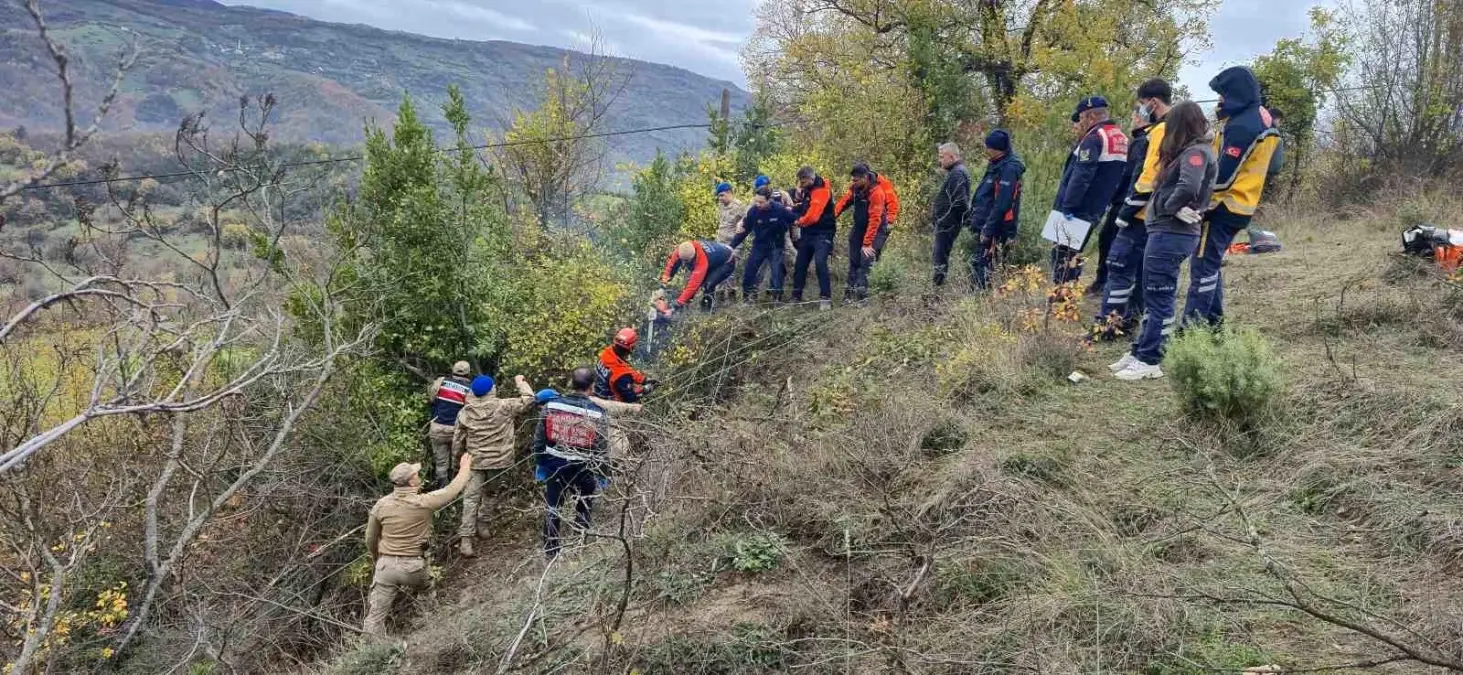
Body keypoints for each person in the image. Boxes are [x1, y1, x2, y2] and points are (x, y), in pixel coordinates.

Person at [1111, 101, 1217, 381]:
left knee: (1160, 296)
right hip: (1166, 231)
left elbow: (1189, 186)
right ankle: (1140, 350)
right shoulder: (1188, 151)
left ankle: (1150, 359)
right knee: (1153, 295)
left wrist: (1170, 207)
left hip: (1172, 232)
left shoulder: (1196, 153)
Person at [1183, 67, 1280, 328]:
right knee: (1210, 265)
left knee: (1203, 267)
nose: (1219, 101)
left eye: (1222, 95)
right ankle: (1214, 324)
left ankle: (1192, 328)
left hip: (1222, 207)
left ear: (1235, 94)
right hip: (1241, 206)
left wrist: (1195, 205)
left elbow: (1223, 177)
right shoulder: (1259, 117)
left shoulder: (1241, 126)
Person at [363, 452, 473, 636]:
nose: (419, 476)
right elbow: (453, 489)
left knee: (375, 617)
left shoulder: (381, 505)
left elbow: (370, 539)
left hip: (385, 568)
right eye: (416, 475)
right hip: (414, 566)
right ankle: (433, 629)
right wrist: (465, 468)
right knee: (426, 591)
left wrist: (377, 558)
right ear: (411, 482)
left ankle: (372, 651)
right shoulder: (425, 502)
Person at [1095, 78, 1172, 339]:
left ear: (1152, 102)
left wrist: (1126, 212)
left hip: (1140, 213)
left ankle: (1108, 327)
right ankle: (1129, 320)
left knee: (1118, 268)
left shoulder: (1159, 132)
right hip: (1158, 215)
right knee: (1140, 271)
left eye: (1140, 105)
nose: (1138, 111)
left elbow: (1146, 177)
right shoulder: (1177, 129)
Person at [450, 373, 537, 557]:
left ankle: (466, 539)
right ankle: (484, 525)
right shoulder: (504, 406)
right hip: (500, 461)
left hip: (475, 462)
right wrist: (520, 382)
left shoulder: (465, 412)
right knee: (491, 493)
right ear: (491, 390)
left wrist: (457, 461)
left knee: (470, 499)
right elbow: (530, 400)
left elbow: (457, 441)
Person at [533, 368, 612, 560]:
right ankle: (579, 544)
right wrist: (603, 474)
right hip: (584, 468)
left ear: (572, 383)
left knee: (553, 507)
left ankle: (551, 551)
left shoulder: (550, 406)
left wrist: (541, 462)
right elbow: (601, 449)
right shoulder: (598, 413)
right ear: (592, 386)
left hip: (554, 465)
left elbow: (538, 440)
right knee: (584, 506)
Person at [1050, 96, 1129, 286]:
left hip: (1077, 208)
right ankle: (1068, 292)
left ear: (1091, 116)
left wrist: (1068, 205)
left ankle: (1062, 298)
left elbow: (1082, 175)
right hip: (1097, 206)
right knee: (1074, 251)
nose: (1079, 122)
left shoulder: (1094, 138)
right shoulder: (1120, 137)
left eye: (1081, 118)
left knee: (1063, 253)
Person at [968, 129, 1026, 290]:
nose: (985, 150)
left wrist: (988, 229)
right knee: (979, 263)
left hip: (995, 227)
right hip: (984, 222)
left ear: (995, 148)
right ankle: (980, 296)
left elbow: (1002, 203)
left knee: (984, 264)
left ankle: (981, 299)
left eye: (987, 147)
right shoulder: (996, 163)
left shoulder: (1009, 169)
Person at [834, 162, 900, 302]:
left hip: (876, 228)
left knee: (866, 259)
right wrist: (830, 217)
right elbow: (843, 202)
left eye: (856, 180)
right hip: (859, 227)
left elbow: (875, 219)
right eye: (853, 180)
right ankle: (849, 295)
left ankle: (862, 297)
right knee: (854, 261)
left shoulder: (877, 192)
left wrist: (867, 243)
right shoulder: (855, 188)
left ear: (865, 177)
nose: (853, 182)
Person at [732, 186, 798, 301]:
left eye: (761, 202)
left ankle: (776, 297)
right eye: (756, 201)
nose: (758, 204)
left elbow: (795, 220)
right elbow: (744, 230)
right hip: (759, 246)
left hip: (775, 246)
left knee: (777, 272)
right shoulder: (753, 211)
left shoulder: (779, 209)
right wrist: (731, 246)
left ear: (769, 200)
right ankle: (747, 297)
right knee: (750, 270)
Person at [788, 165, 838, 310]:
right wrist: (793, 209)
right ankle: (796, 296)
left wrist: (799, 222)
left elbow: (813, 215)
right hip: (808, 233)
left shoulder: (821, 191)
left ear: (810, 178)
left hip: (823, 232)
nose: (800, 185)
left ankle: (825, 298)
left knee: (820, 263)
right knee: (800, 264)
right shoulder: (808, 191)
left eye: (802, 182)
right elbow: (805, 207)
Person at [930, 142, 972, 287]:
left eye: (942, 157)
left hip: (948, 225)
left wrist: (943, 219)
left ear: (952, 157)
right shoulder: (955, 172)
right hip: (946, 223)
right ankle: (937, 288)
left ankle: (937, 291)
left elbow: (960, 201)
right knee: (938, 257)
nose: (940, 160)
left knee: (940, 259)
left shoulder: (958, 173)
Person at [426, 361, 472, 487]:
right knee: (457, 462)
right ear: (468, 373)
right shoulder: (469, 389)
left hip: (437, 428)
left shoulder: (441, 382)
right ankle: (456, 491)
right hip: (456, 431)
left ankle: (442, 491)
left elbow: (431, 399)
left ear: (453, 370)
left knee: (441, 463)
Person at [661, 239, 737, 312]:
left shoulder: (702, 261)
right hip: (715, 258)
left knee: (708, 285)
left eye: (686, 261)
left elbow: (693, 286)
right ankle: (684, 307)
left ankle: (707, 311)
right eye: (682, 260)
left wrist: (677, 305)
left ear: (693, 257)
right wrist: (662, 286)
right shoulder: (681, 250)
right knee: (691, 283)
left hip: (727, 263)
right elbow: (670, 269)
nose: (683, 264)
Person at [595, 328, 654, 403]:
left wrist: (643, 380)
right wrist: (645, 389)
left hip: (598, 391)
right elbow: (630, 398)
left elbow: (624, 368)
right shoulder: (622, 375)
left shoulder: (608, 352)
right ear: (631, 348)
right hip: (610, 404)